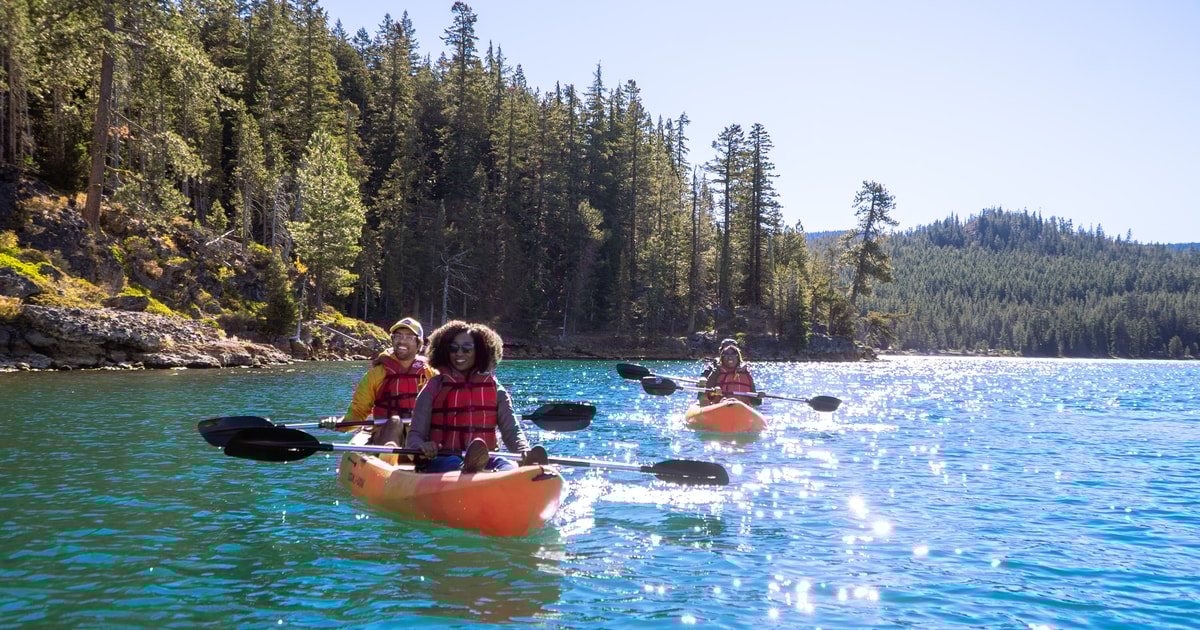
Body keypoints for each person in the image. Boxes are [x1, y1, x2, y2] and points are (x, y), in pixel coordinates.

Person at [406, 320, 548, 473]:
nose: (459, 353)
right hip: (442, 458)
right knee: (453, 462)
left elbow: (511, 429)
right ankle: (469, 472)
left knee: (505, 465)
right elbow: (415, 435)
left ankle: (525, 471)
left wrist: (523, 450)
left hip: (486, 459)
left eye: (467, 348)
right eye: (453, 348)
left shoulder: (496, 389)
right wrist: (421, 446)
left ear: (480, 351)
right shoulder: (434, 386)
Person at [322, 317, 437, 452]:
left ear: (419, 344)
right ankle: (388, 456)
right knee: (395, 422)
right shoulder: (376, 375)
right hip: (384, 436)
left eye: (409, 337)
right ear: (392, 340)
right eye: (397, 336)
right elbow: (357, 414)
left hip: (419, 438)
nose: (402, 340)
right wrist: (338, 423)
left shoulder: (431, 373)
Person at [703, 342, 762, 407]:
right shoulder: (717, 371)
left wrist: (759, 397)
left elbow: (756, 402)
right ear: (722, 357)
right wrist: (713, 392)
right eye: (726, 354)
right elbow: (707, 395)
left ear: (738, 357)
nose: (730, 357)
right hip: (721, 406)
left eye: (733, 354)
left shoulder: (746, 372)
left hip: (743, 408)